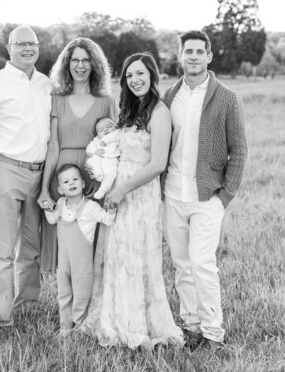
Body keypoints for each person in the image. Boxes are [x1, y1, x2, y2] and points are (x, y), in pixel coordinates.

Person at [82, 53, 184, 349]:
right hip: (118, 193)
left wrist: (121, 189)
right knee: (116, 255)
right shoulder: (130, 110)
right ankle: (113, 316)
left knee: (136, 257)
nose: (135, 80)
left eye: (140, 74)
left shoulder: (159, 112)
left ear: (152, 76)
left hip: (139, 194)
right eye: (129, 76)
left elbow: (157, 165)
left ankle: (135, 324)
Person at [161, 30, 248, 351]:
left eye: (200, 51)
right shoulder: (169, 96)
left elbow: (239, 151)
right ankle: (191, 325)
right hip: (172, 195)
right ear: (180, 56)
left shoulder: (226, 98)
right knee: (181, 264)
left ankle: (213, 331)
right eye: (188, 52)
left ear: (209, 56)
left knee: (202, 264)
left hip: (208, 197)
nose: (193, 57)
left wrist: (225, 195)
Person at [0, 25, 52, 335]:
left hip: (38, 173)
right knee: (3, 250)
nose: (28, 48)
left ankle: (26, 306)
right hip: (7, 170)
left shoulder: (45, 84)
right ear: (9, 48)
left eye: (32, 43)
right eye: (21, 44)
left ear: (38, 47)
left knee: (31, 248)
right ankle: (1, 318)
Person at [37, 37, 117, 274]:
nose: (80, 65)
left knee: (92, 231)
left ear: (94, 65)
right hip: (64, 174)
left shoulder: (106, 103)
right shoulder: (57, 101)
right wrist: (43, 189)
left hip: (95, 175)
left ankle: (92, 299)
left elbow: (115, 145)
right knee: (66, 233)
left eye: (86, 60)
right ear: (67, 64)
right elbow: (53, 148)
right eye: (75, 60)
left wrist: (111, 186)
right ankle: (67, 296)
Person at [44, 164, 116, 335]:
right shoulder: (61, 204)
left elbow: (107, 220)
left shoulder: (90, 207)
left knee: (82, 294)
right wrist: (47, 208)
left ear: (83, 183)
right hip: (64, 263)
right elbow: (53, 220)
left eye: (75, 179)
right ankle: (65, 325)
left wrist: (111, 210)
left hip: (82, 266)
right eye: (66, 182)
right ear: (60, 189)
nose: (71, 183)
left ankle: (80, 324)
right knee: (64, 292)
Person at [85, 117, 120, 200]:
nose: (106, 130)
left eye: (109, 126)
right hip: (100, 159)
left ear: (116, 127)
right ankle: (98, 175)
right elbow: (89, 148)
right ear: (97, 135)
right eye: (101, 130)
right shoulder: (96, 140)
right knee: (92, 160)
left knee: (110, 172)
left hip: (112, 160)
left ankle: (103, 189)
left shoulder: (117, 136)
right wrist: (95, 151)